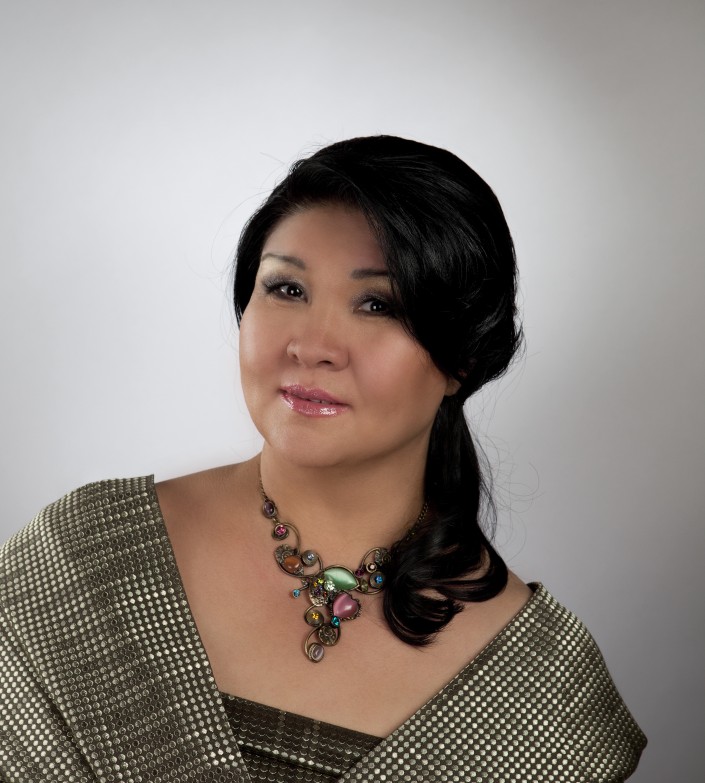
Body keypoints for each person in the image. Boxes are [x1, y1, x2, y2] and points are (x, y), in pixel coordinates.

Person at [0, 136, 646, 782]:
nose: (311, 346)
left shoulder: (543, 699)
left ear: (463, 358)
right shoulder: (85, 557)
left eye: (377, 304)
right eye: (286, 288)